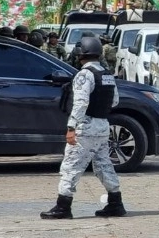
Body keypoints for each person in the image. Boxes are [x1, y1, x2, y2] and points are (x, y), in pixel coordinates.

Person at [40, 35, 125, 220]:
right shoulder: (107, 74)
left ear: (81, 54)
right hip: (102, 126)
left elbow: (80, 102)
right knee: (104, 165)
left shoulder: (85, 74)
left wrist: (71, 127)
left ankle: (63, 207)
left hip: (85, 128)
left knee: (70, 166)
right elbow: (115, 100)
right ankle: (116, 204)